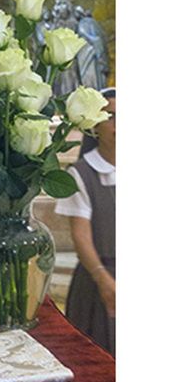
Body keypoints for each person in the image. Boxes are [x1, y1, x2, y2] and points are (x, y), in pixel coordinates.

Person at [55, 87, 116, 355]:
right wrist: (103, 278)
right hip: (99, 282)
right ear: (94, 126)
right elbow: (81, 236)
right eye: (111, 117)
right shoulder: (81, 174)